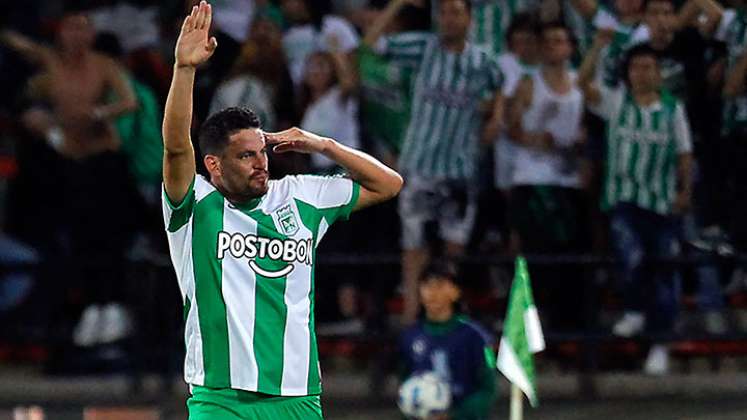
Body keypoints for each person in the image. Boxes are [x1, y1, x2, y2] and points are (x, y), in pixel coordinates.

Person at [163, 3, 403, 418]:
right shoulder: (195, 206)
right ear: (214, 165)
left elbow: (389, 183)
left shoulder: (299, 196)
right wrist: (184, 71)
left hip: (297, 395)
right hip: (220, 397)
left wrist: (326, 145)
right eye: (245, 156)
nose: (261, 162)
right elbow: (177, 146)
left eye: (262, 152)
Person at [1, 7, 140, 347]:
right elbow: (21, 47)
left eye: (84, 28)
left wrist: (99, 113)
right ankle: (93, 306)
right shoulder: (50, 64)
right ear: (60, 32)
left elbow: (129, 101)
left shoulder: (103, 65)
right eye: (71, 28)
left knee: (108, 238)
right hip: (70, 163)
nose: (78, 35)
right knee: (81, 239)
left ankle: (114, 307)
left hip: (104, 161)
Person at [363, 0, 505, 324]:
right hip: (420, 167)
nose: (449, 19)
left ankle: (447, 320)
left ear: (469, 18)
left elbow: (499, 86)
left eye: (456, 12)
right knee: (414, 250)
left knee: (454, 251)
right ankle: (413, 322)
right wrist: (397, 4)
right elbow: (370, 44)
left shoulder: (483, 61)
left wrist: (495, 119)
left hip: (460, 170)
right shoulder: (422, 47)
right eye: (443, 12)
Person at [579, 38, 694, 374]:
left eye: (647, 67)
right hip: (624, 199)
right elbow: (583, 84)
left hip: (660, 203)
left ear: (659, 74)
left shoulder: (674, 109)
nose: (641, 74)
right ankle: (634, 311)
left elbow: (684, 154)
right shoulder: (616, 102)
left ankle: (659, 343)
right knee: (630, 256)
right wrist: (597, 48)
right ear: (627, 73)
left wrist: (684, 191)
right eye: (635, 67)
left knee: (664, 273)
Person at [506, 21, 587, 330]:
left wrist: (578, 141)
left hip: (567, 181)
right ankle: (534, 327)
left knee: (569, 261)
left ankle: (567, 328)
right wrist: (538, 139)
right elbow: (512, 128)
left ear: (570, 47)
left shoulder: (580, 82)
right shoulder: (529, 83)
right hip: (533, 178)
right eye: (549, 41)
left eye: (560, 41)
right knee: (536, 259)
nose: (554, 46)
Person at [399, 261, 496, 420]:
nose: (432, 292)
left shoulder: (475, 336)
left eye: (440, 286)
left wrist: (454, 415)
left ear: (455, 292)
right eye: (427, 286)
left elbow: (487, 389)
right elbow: (404, 384)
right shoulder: (409, 336)